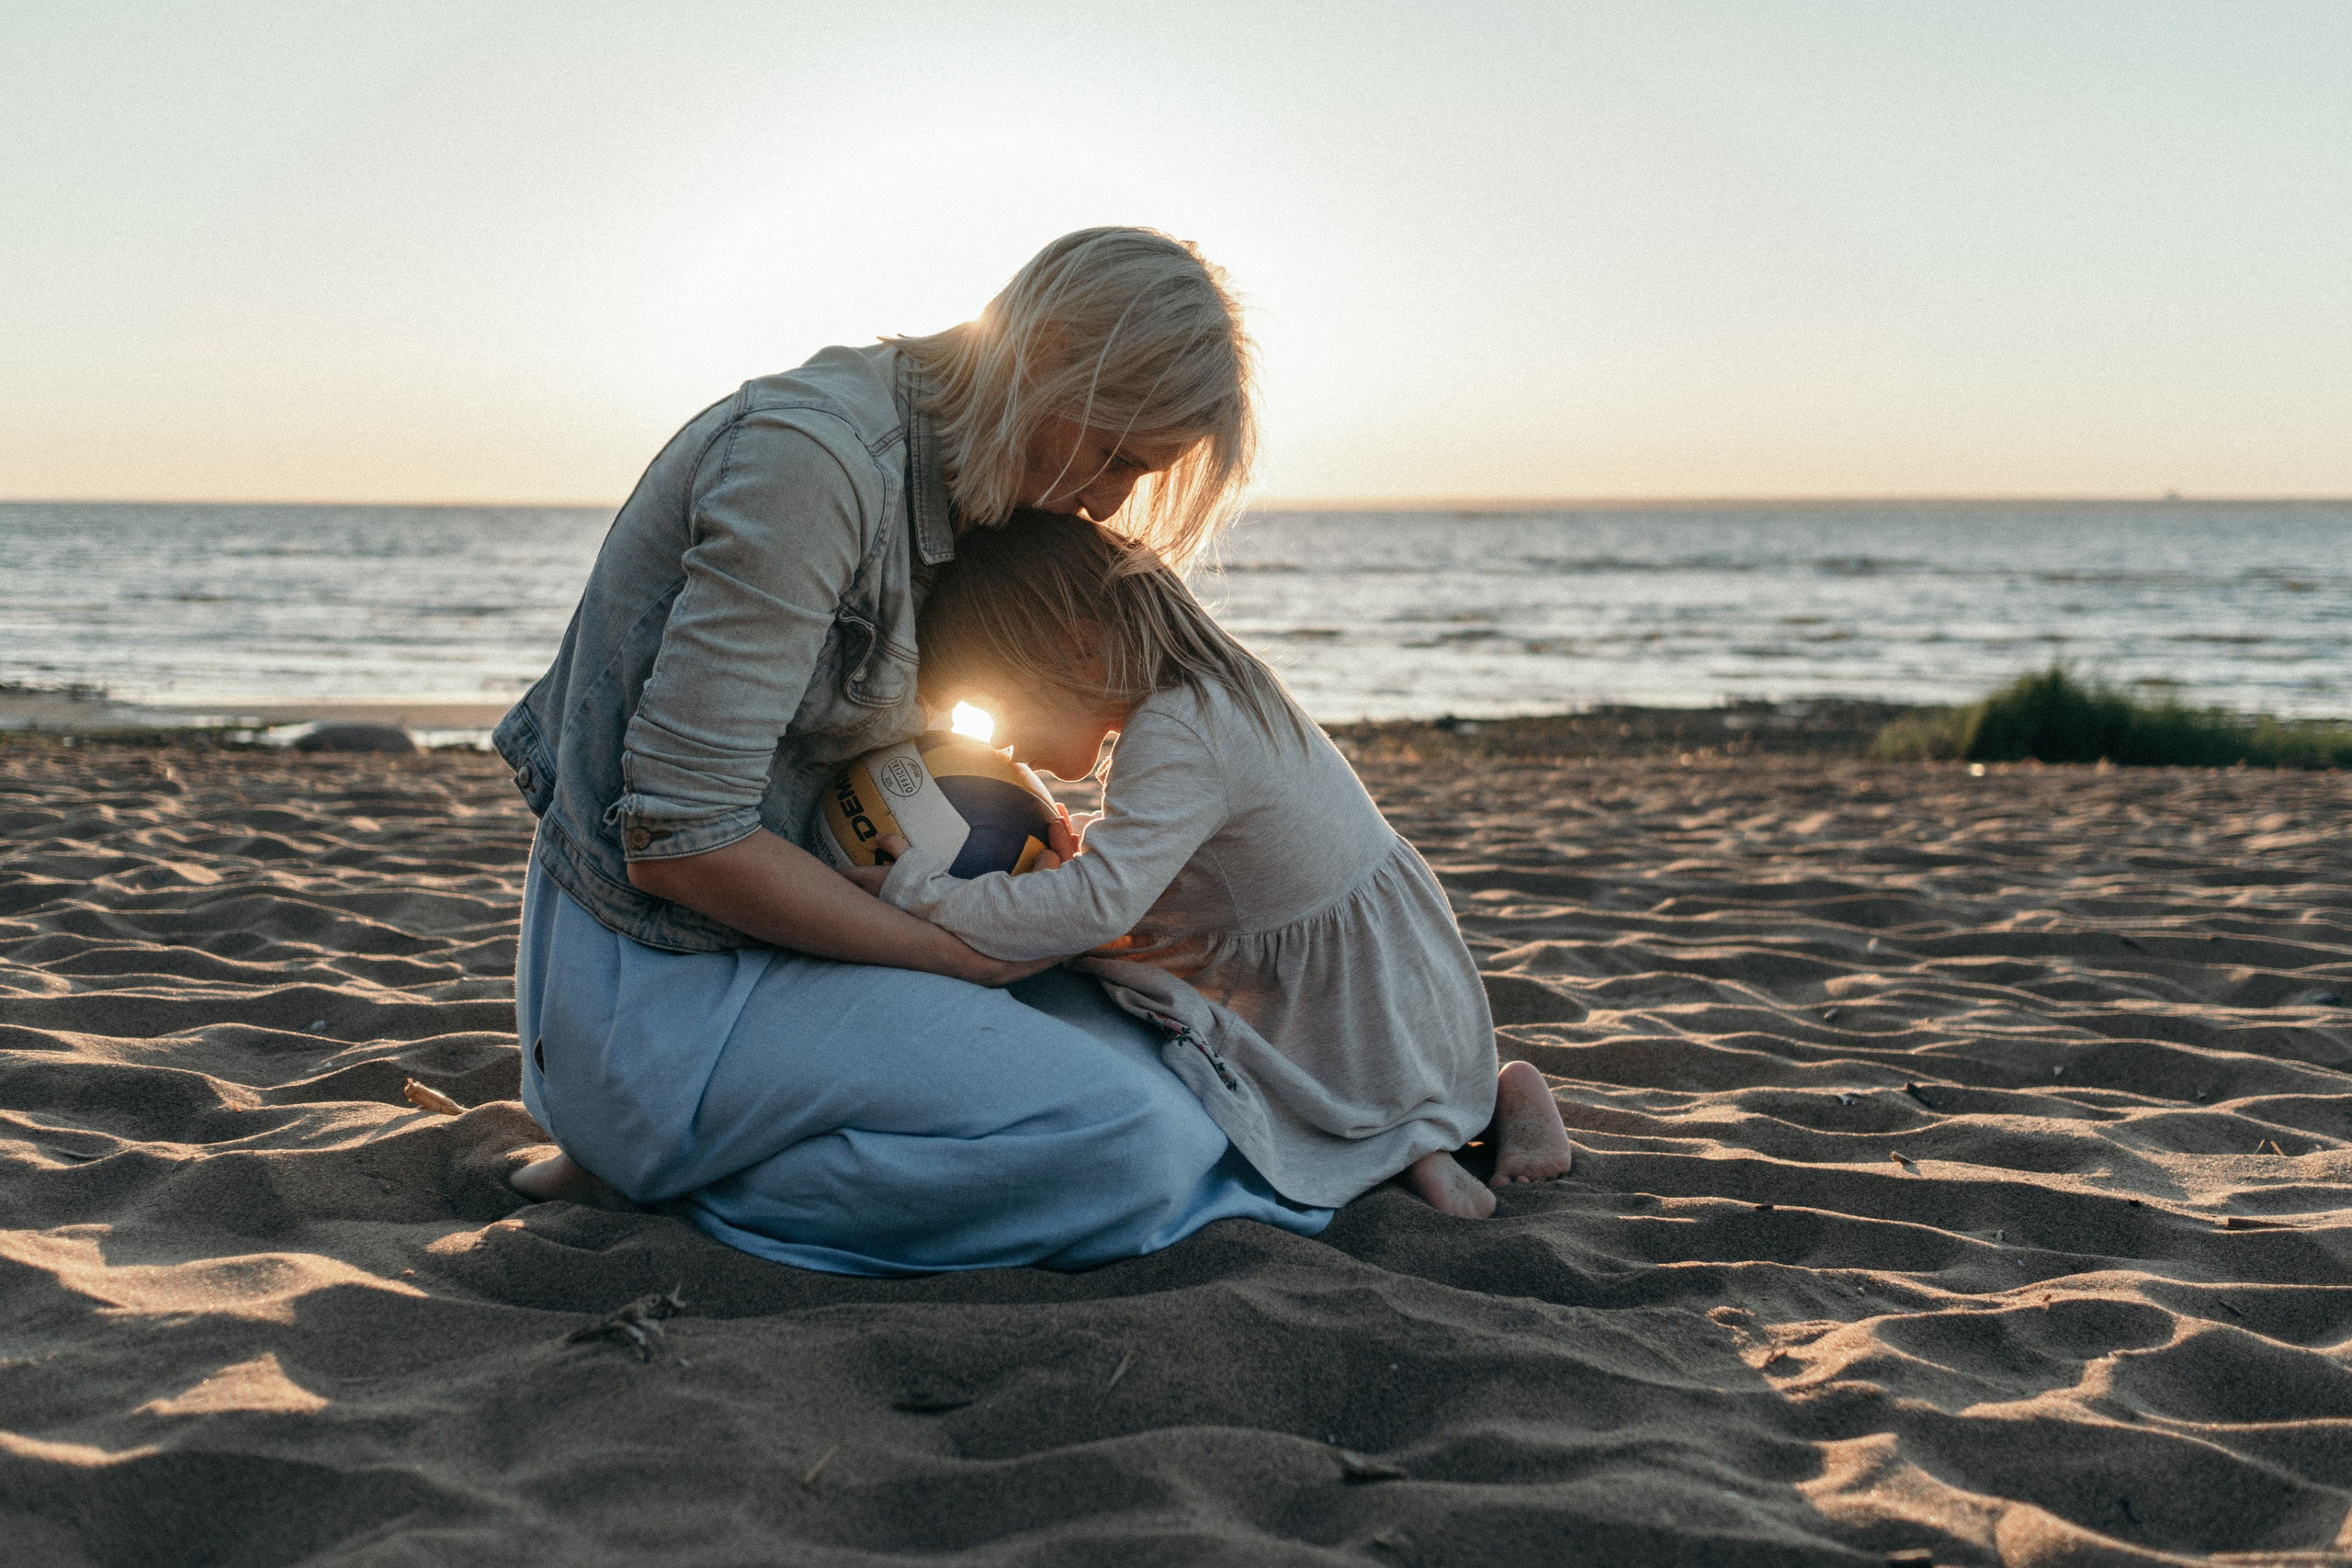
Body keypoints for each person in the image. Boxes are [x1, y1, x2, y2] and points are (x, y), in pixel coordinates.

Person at [497, 228, 1329, 1274]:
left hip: (808, 956)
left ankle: (712, 1162)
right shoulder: (809, 467)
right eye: (1115, 454)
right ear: (1050, 354)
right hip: (665, 991)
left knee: (1208, 1062)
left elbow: (909, 771)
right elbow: (680, 843)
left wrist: (1041, 876)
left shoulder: (970, 479)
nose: (1111, 503)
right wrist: (957, 951)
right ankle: (668, 1177)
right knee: (1134, 1143)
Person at [856, 508, 1575, 1219]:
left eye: (997, 712)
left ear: (1076, 649)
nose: (1004, 749)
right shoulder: (1216, 691)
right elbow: (1193, 860)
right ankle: (1480, 1096)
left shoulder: (1172, 732)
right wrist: (1088, 864)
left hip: (1341, 1016)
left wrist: (919, 890)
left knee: (1167, 1028)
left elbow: (1093, 907)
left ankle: (1414, 1148)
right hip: (1401, 993)